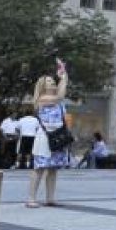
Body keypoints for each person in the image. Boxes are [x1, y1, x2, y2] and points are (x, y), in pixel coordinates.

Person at [27, 58, 71, 208]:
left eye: (53, 81)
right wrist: (63, 78)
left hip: (58, 134)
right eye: (49, 81)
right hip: (45, 136)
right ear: (42, 85)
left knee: (53, 169)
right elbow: (59, 96)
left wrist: (63, 75)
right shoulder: (42, 99)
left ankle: (50, 198)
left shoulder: (59, 102)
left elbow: (60, 95)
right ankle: (31, 198)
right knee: (39, 167)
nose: (53, 82)